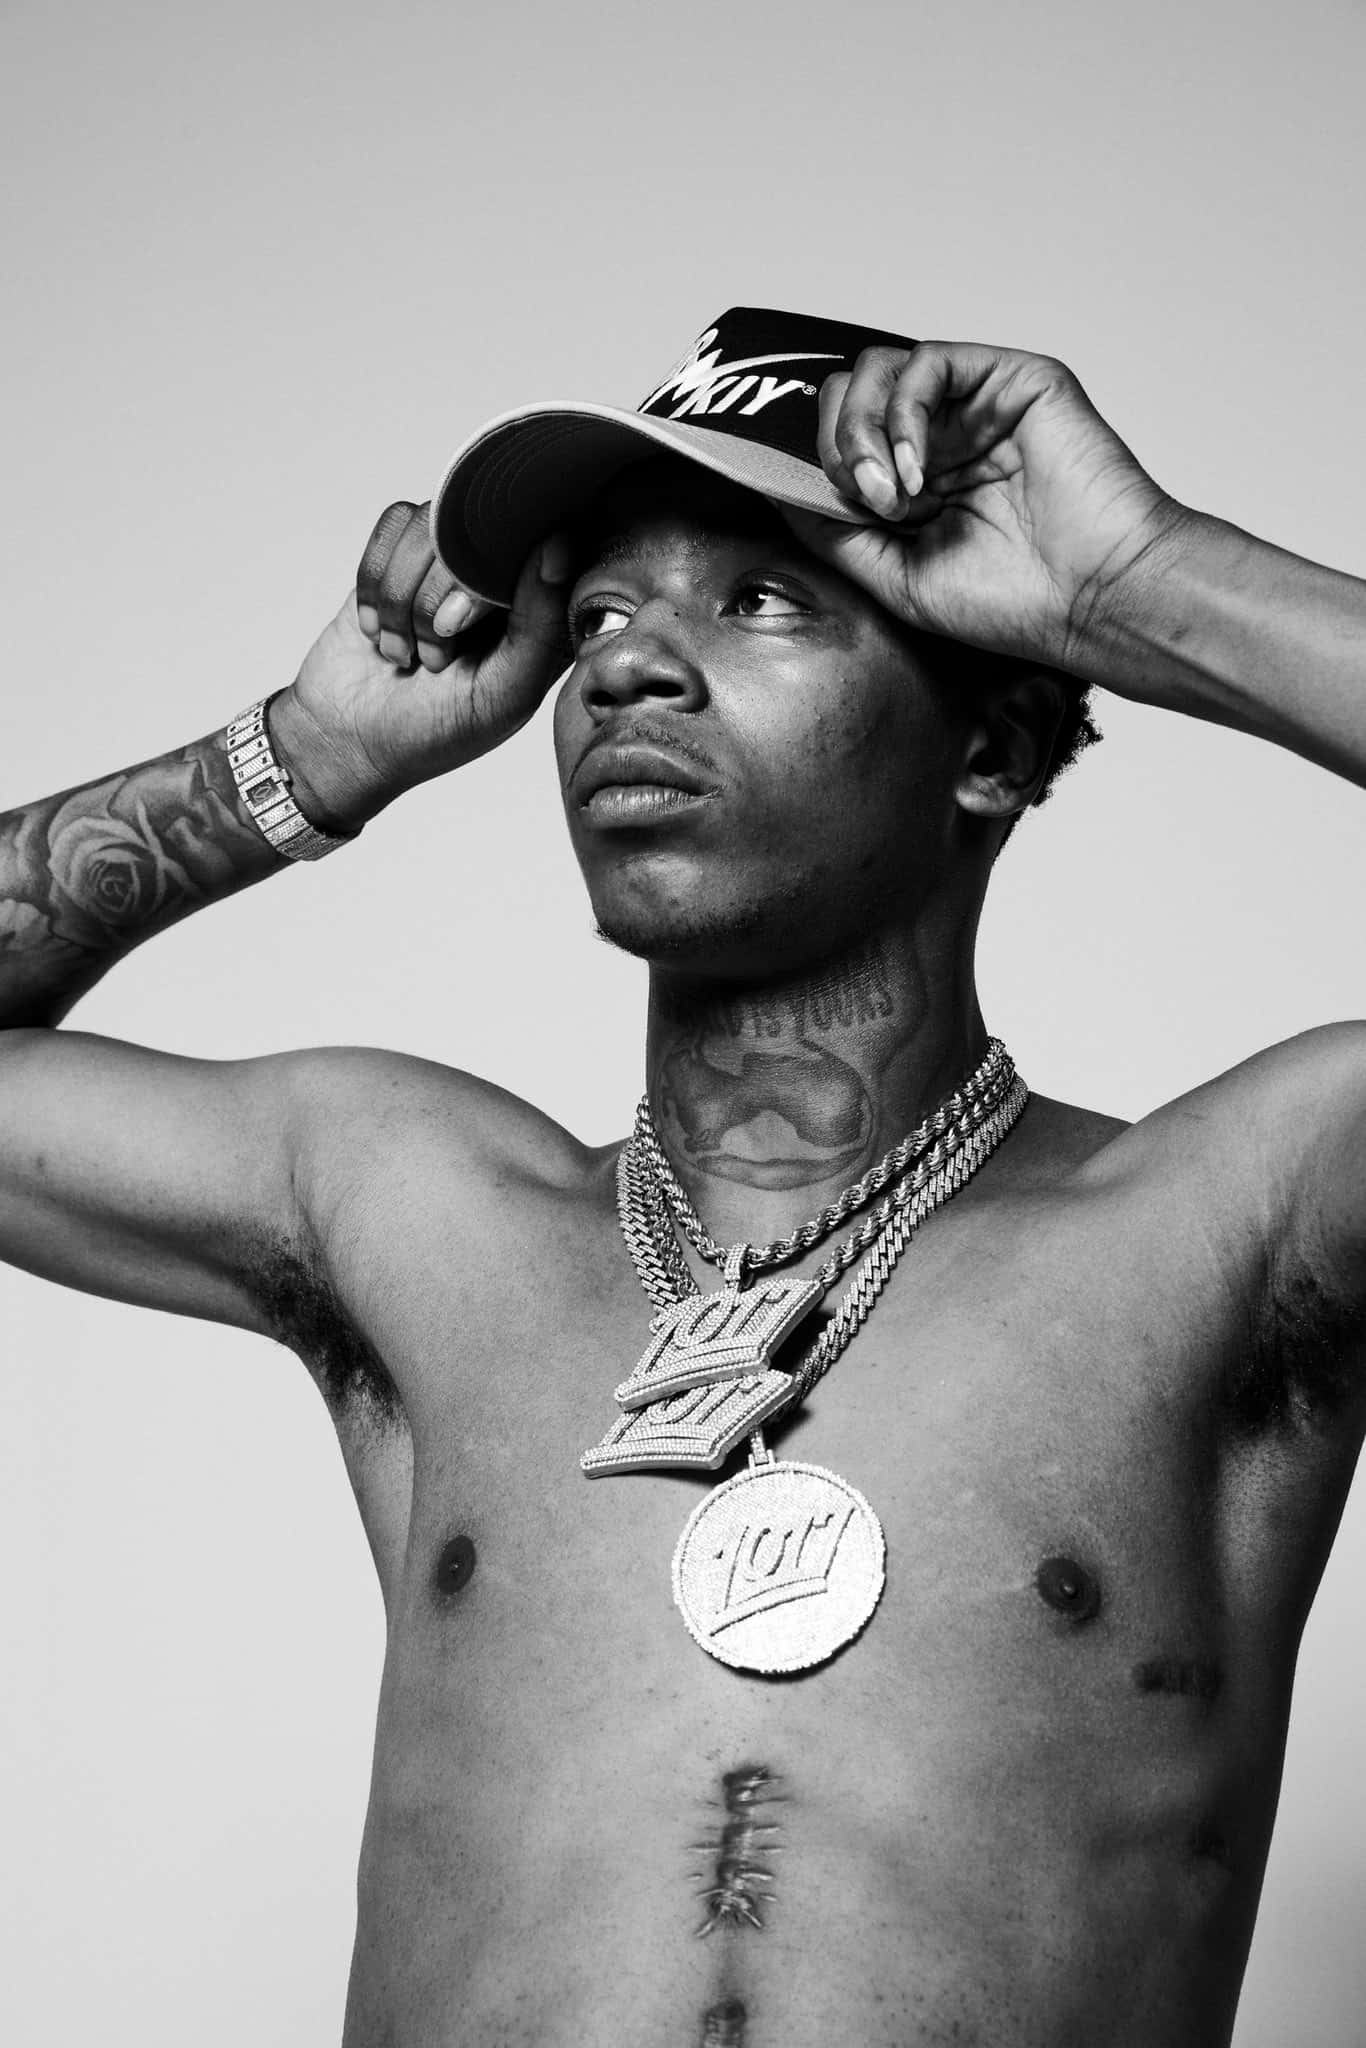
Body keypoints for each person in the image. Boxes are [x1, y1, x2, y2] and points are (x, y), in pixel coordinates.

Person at [2, 304, 1363, 2048]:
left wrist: (1137, 587)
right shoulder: (412, 1211)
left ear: (992, 747)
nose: (627, 668)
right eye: (596, 617)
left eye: (764, 598)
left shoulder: (1235, 1218)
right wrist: (304, 762)